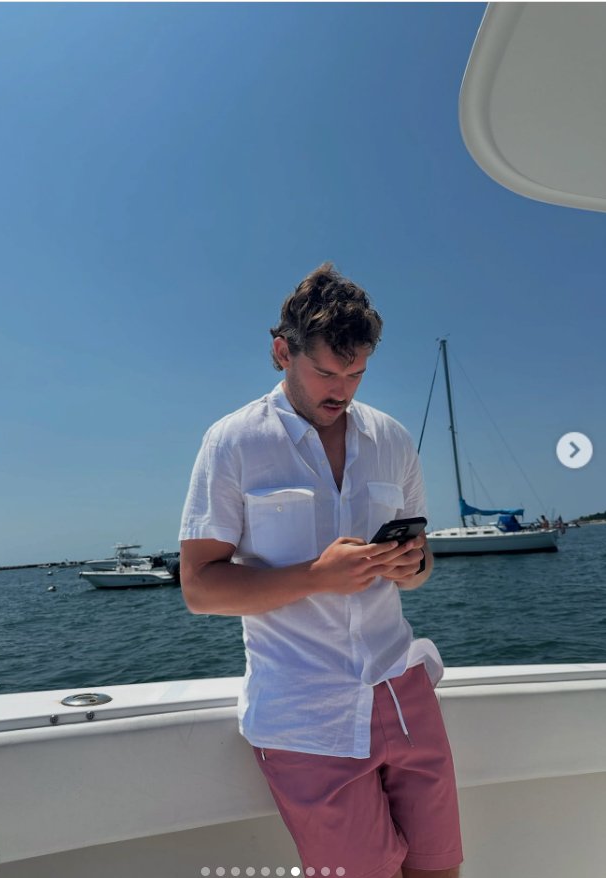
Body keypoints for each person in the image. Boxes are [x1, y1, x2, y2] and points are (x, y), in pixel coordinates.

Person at [179, 263, 462, 878]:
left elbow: (421, 565)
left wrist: (410, 565)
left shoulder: (392, 439)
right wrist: (317, 576)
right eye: (326, 372)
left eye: (356, 373)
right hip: (306, 713)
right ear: (283, 351)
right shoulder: (231, 443)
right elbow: (200, 587)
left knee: (439, 867)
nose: (342, 390)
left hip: (402, 687)